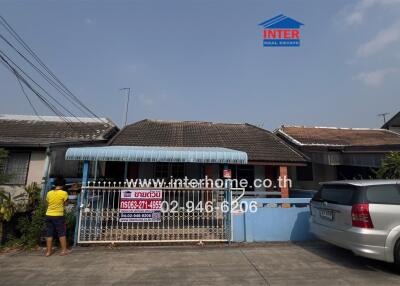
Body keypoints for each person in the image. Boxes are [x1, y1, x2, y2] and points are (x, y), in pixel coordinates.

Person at [45, 177, 70, 256]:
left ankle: (48, 252)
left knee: (49, 233)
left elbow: (47, 203)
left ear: (55, 184)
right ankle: (64, 251)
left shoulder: (49, 193)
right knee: (61, 233)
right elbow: (66, 204)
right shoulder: (64, 193)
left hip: (48, 214)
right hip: (58, 215)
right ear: (63, 185)